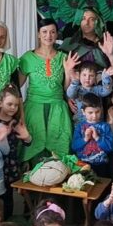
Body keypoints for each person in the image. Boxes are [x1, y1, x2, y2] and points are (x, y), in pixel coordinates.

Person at [18, 17, 73, 162]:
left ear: (56, 34)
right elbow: (17, 85)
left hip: (58, 108)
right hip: (33, 108)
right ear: (38, 34)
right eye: (44, 32)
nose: (48, 35)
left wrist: (68, 72)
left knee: (59, 149)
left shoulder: (63, 57)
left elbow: (66, 88)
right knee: (33, 148)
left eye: (52, 32)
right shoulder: (28, 58)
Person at [58, 7, 113, 79]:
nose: (86, 23)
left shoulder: (107, 44)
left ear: (98, 23)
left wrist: (111, 55)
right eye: (83, 18)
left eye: (91, 19)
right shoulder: (68, 43)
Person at [0, 85, 31, 218]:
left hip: (11, 167)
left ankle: (7, 223)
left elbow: (27, 142)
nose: (13, 108)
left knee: (8, 198)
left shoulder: (16, 122)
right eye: (9, 104)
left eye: (16, 105)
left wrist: (27, 137)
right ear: (0, 103)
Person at [71, 95, 113, 174]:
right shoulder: (79, 127)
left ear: (101, 110)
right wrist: (85, 139)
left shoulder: (105, 126)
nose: (94, 116)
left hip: (101, 164)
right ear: (83, 112)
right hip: (83, 164)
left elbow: (110, 148)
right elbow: (74, 147)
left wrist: (97, 138)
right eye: (90, 112)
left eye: (97, 112)